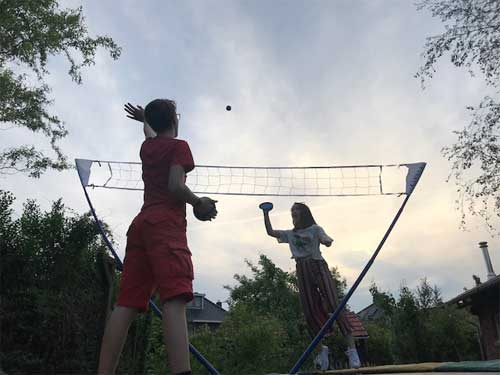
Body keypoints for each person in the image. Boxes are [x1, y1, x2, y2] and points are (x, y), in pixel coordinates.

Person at [97, 99, 217, 375]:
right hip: (165, 226)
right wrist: (199, 202)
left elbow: (152, 134)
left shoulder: (148, 147)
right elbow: (175, 186)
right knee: (175, 298)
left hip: (141, 225)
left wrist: (145, 120)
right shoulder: (179, 147)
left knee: (126, 303)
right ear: (175, 119)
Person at [262, 202, 360, 369]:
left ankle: (352, 350)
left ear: (304, 214)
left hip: (317, 265)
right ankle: (321, 350)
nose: (293, 214)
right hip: (302, 269)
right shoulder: (290, 234)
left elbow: (324, 237)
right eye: (292, 212)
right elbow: (271, 232)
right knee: (309, 309)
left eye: (296, 211)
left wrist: (326, 240)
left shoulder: (315, 229)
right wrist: (265, 213)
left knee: (334, 304)